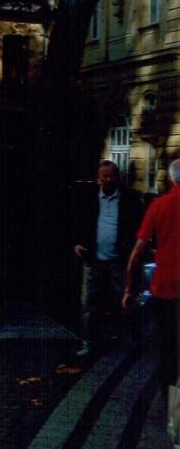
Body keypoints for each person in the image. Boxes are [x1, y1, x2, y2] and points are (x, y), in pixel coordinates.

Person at [73, 160, 143, 357]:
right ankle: (89, 343)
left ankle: (131, 340)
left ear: (117, 177)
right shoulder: (88, 198)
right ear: (98, 178)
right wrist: (77, 242)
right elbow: (76, 220)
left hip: (120, 261)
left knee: (126, 301)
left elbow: (138, 228)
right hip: (93, 260)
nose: (109, 179)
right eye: (105, 176)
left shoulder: (130, 198)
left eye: (112, 175)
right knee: (89, 304)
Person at [123, 158, 180, 402]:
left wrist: (128, 288)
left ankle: (175, 413)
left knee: (169, 351)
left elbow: (137, 252)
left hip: (165, 289)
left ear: (170, 179)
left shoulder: (159, 206)